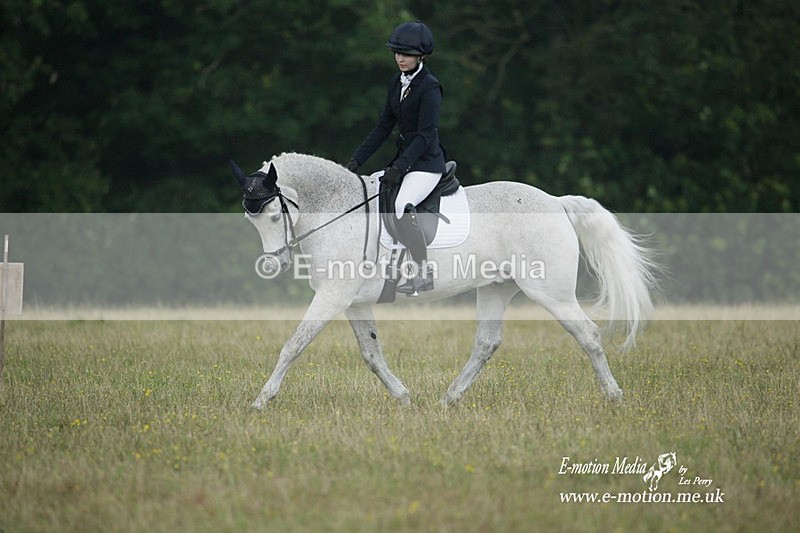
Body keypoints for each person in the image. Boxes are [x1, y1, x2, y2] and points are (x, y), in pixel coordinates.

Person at [346, 21, 445, 295]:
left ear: (420, 56)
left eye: (407, 54)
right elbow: (383, 127)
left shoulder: (430, 87)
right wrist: (355, 161)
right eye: (397, 52)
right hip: (405, 161)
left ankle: (424, 274)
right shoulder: (395, 83)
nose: (400, 58)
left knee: (402, 204)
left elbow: (425, 136)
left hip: (426, 163)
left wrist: (400, 167)